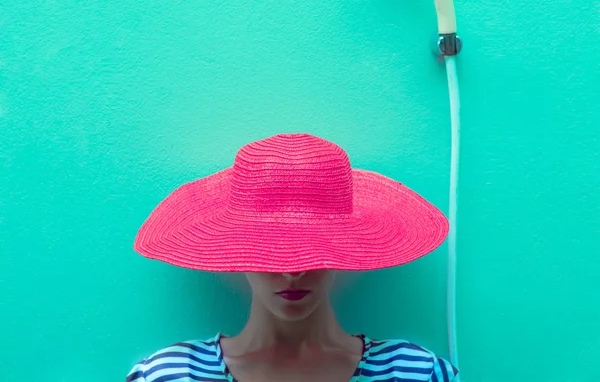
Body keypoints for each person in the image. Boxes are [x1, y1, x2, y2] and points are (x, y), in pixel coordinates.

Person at [125, 133, 459, 381]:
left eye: (313, 246)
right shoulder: (169, 374)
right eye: (269, 246)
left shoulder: (415, 372)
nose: (293, 270)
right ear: (239, 249)